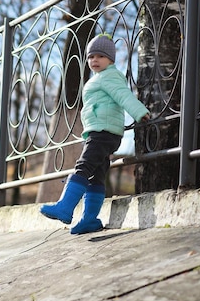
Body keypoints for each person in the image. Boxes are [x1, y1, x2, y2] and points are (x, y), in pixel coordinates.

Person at [40, 33, 150, 234]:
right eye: (91, 57)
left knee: (83, 166)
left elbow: (123, 95)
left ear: (110, 59)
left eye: (100, 56)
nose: (94, 60)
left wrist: (139, 112)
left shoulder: (109, 76)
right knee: (96, 176)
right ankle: (90, 219)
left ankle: (65, 206)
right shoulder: (102, 77)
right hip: (103, 133)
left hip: (102, 133)